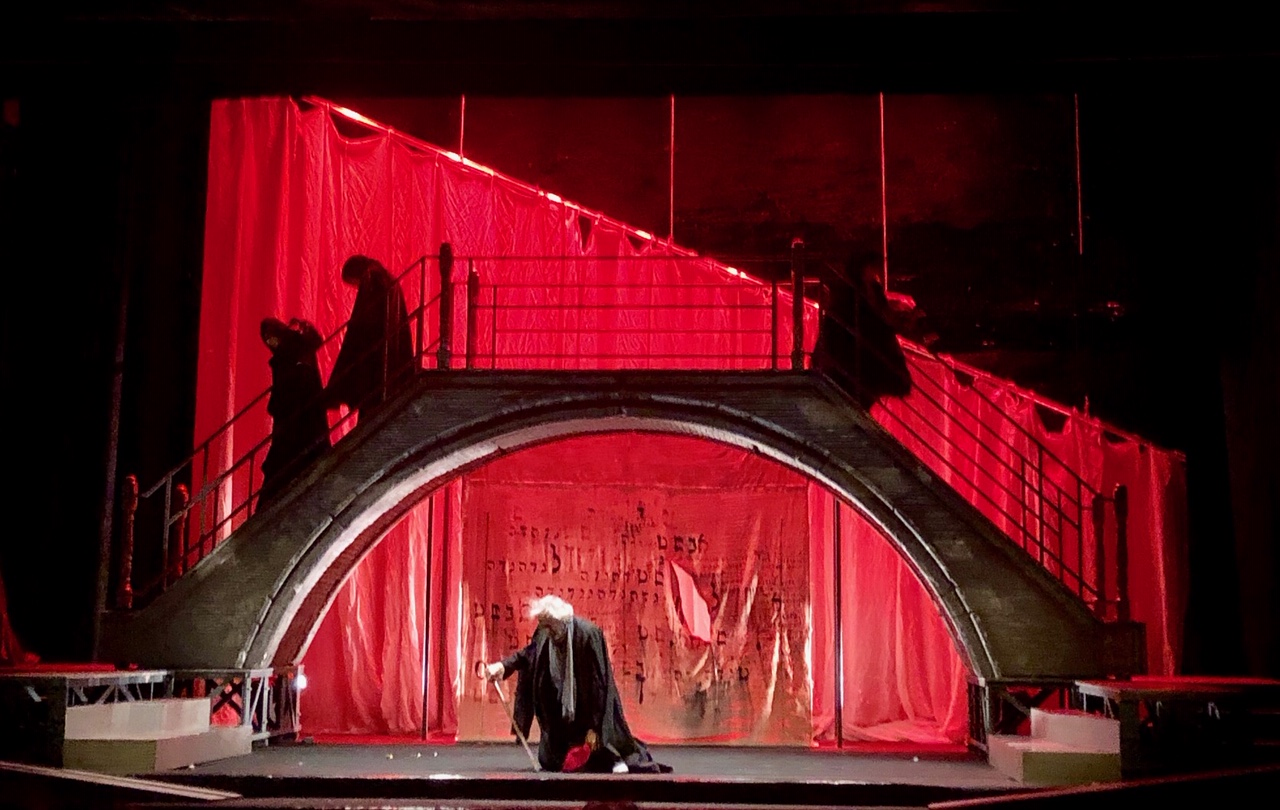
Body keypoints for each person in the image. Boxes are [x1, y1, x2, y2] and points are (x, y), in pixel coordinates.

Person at [481, 595, 671, 774]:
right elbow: (529, 653)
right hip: (558, 708)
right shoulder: (544, 632)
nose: (546, 632)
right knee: (549, 761)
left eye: (549, 626)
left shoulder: (588, 634)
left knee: (594, 756)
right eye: (543, 626)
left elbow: (599, 685)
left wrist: (594, 729)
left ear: (562, 623)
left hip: (585, 709)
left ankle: (614, 756)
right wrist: (503, 666)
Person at [810, 252, 913, 409]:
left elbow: (882, 316)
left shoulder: (871, 291)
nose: (875, 271)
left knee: (861, 393)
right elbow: (840, 322)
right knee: (854, 393)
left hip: (867, 353)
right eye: (872, 267)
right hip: (855, 353)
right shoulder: (849, 293)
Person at [324, 254, 415, 420]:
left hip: (374, 363)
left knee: (370, 411)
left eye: (354, 283)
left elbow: (361, 325)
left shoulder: (372, 279)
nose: (356, 288)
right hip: (389, 359)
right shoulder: (387, 278)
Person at [258, 316, 331, 509]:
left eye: (268, 335)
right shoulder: (291, 350)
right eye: (265, 337)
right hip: (298, 420)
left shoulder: (290, 351)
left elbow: (286, 389)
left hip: (297, 420)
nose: (268, 340)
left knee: (285, 466)